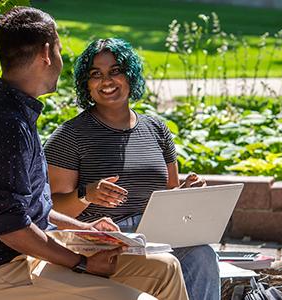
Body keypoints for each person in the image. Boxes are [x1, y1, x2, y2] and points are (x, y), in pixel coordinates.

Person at [0, 8, 189, 300]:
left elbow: (33, 209)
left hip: (25, 260)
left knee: (164, 268)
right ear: (47, 53)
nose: (60, 59)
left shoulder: (15, 109)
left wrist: (85, 227)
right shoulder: (6, 123)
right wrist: (83, 264)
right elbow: (10, 227)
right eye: (59, 48)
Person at [44, 38, 221, 300]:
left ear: (130, 75)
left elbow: (170, 191)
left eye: (115, 71)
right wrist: (86, 195)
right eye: (96, 74)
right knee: (165, 262)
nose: (106, 81)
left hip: (155, 233)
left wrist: (188, 191)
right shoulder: (70, 136)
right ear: (86, 84)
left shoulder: (156, 129)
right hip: (101, 237)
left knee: (202, 255)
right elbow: (50, 207)